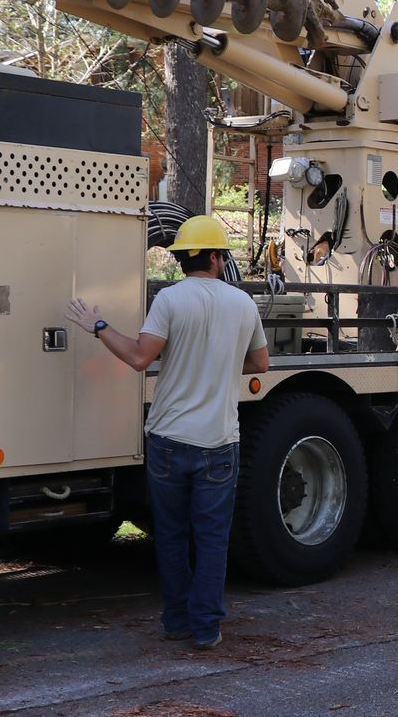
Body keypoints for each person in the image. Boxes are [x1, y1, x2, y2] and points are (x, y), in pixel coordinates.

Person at [67, 215, 268, 649]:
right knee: (212, 539)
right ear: (216, 257)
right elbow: (260, 364)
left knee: (173, 535)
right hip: (219, 442)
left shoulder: (170, 301)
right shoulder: (243, 304)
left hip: (169, 440)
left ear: (181, 259)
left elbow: (141, 358)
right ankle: (206, 628)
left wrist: (99, 327)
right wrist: (223, 363)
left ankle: (176, 621)